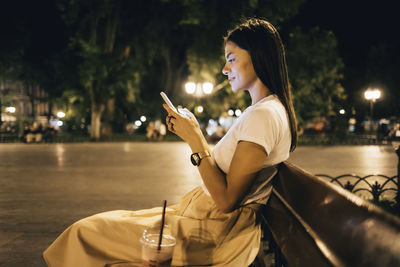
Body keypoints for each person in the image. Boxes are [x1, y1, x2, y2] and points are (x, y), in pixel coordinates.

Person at [43, 18, 297, 266]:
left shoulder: (264, 115)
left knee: (84, 233)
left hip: (213, 232)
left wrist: (195, 141)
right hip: (202, 219)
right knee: (99, 226)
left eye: (231, 59)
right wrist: (195, 132)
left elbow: (227, 201)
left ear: (260, 58)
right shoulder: (266, 110)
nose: (225, 69)